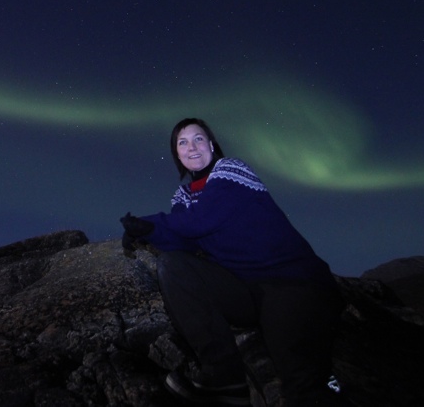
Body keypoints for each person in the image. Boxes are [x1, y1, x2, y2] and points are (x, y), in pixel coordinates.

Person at [121, 118, 345, 406]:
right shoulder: (184, 197)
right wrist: (145, 235)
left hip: (290, 282)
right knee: (173, 266)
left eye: (199, 139)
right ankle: (225, 375)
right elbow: (185, 240)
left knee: (300, 381)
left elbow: (201, 221)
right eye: (182, 142)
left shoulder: (231, 170)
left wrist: (151, 225)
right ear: (177, 155)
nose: (192, 147)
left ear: (212, 146)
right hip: (245, 289)